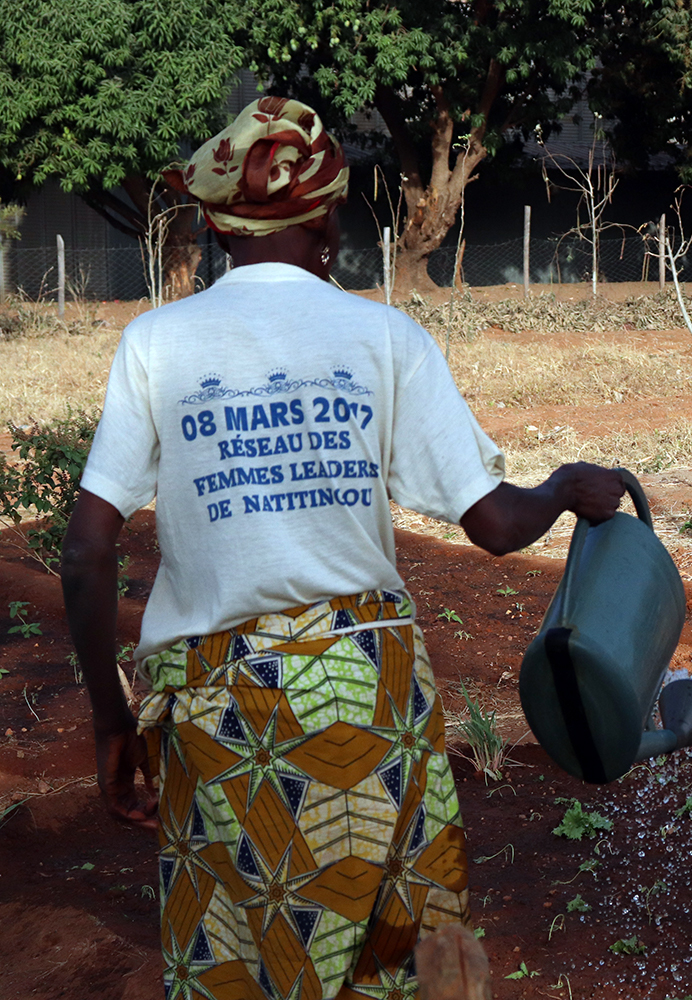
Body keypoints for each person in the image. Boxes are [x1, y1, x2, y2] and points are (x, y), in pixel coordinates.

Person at [59, 97, 625, 1000]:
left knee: (239, 954)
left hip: (221, 712)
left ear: (215, 220)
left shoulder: (156, 344)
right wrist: (563, 490)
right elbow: (492, 523)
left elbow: (87, 552)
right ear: (328, 216)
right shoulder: (384, 338)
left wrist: (110, 721)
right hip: (369, 690)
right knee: (398, 952)